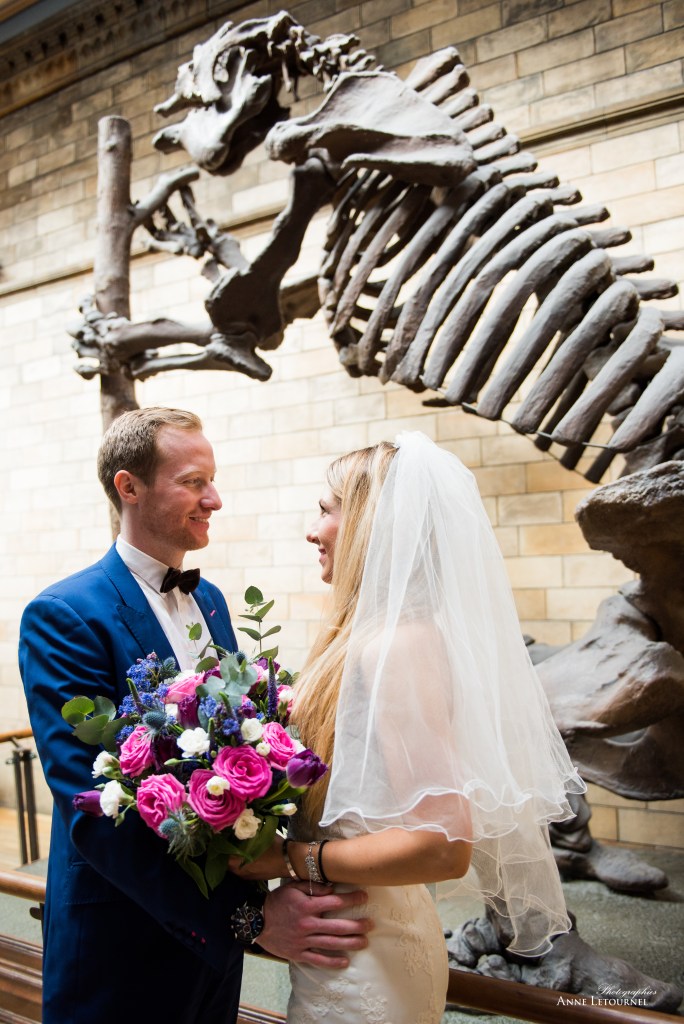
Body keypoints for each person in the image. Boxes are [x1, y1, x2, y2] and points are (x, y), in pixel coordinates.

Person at [18, 407, 371, 1024]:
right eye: (193, 481)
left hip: (213, 958)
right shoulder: (64, 614)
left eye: (212, 480)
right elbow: (94, 809)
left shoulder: (208, 600)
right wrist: (245, 919)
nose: (215, 499)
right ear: (129, 487)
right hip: (121, 943)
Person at [231, 432, 586, 1023]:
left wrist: (292, 860)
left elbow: (443, 844)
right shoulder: (367, 640)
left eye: (326, 509)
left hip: (373, 958)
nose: (312, 530)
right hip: (351, 942)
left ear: (370, 523)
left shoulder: (398, 646)